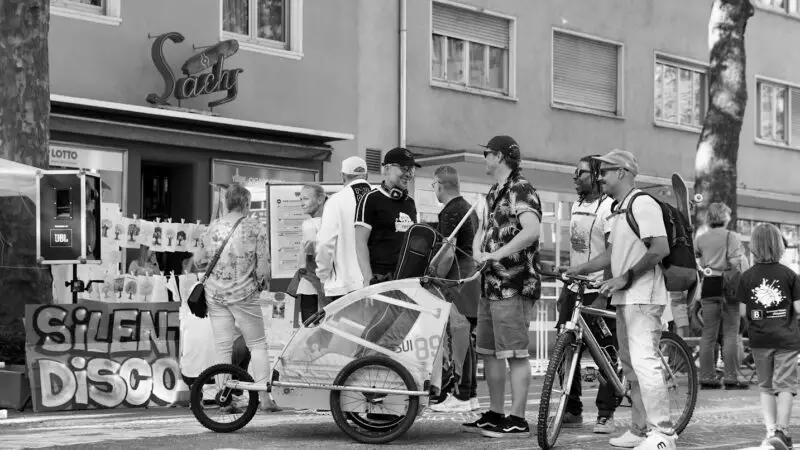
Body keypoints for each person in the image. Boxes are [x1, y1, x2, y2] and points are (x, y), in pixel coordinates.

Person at [566, 149, 677, 449]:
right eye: (598, 172)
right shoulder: (618, 209)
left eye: (605, 171)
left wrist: (625, 277)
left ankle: (663, 433)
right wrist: (580, 268)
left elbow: (660, 249)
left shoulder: (642, 204)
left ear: (623, 172)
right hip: (625, 298)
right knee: (630, 366)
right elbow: (610, 254)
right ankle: (641, 429)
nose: (599, 177)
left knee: (645, 363)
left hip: (643, 296)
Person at [462, 136, 541, 439]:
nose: (483, 158)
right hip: (490, 284)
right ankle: (496, 413)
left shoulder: (521, 188)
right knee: (490, 352)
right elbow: (483, 230)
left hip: (513, 284)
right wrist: (479, 252)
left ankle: (518, 419)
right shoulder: (495, 191)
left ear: (499, 156)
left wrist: (496, 254)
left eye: (486, 153)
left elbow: (531, 230)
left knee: (515, 353)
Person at [197, 183, 276, 411]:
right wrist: (260, 283)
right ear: (246, 204)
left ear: (226, 203)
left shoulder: (212, 228)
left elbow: (199, 260)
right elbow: (263, 270)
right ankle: (265, 399)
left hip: (215, 295)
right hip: (244, 294)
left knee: (222, 347)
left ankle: (225, 399)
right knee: (257, 345)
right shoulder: (255, 228)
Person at [557, 155, 619, 434]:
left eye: (581, 173)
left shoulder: (608, 207)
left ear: (596, 175)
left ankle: (606, 412)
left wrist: (605, 293)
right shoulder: (577, 204)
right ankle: (571, 408)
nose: (575, 177)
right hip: (574, 289)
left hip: (598, 290)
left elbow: (612, 253)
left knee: (605, 353)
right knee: (564, 349)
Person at [736, 223, 800, 450]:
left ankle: (771, 432)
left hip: (760, 339)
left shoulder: (746, 277)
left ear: (753, 247)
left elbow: (743, 311)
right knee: (785, 386)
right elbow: (799, 308)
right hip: (787, 339)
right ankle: (782, 432)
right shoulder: (790, 275)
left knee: (765, 386)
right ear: (779, 246)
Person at [353, 147, 419, 354]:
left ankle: (378, 372)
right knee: (378, 328)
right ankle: (355, 366)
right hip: (381, 280)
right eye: (404, 168)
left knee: (395, 336)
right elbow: (359, 242)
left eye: (411, 169)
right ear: (387, 169)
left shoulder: (410, 203)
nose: (408, 174)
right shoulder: (370, 200)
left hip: (406, 281)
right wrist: (368, 280)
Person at [427, 165, 481, 413]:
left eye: (433, 185)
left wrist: (434, 277)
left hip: (456, 276)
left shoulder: (451, 211)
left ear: (439, 184)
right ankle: (469, 395)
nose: (434, 190)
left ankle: (459, 395)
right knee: (467, 338)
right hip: (470, 275)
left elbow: (448, 251)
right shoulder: (468, 208)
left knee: (457, 337)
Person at [695, 202, 749, 389]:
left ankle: (707, 377)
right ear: (725, 217)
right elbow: (735, 261)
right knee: (731, 334)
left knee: (708, 334)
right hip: (728, 287)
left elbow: (696, 260)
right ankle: (731, 377)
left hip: (709, 285)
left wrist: (707, 264)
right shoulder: (731, 236)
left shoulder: (701, 238)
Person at [316, 156, 372, 301]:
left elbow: (324, 243)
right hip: (377, 283)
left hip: (343, 286)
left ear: (342, 176)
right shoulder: (379, 197)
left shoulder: (336, 201)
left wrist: (323, 275)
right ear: (366, 175)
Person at [295, 183, 326, 323]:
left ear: (320, 200)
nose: (302, 203)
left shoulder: (309, 224)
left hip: (311, 282)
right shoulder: (334, 222)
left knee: (310, 330)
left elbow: (311, 249)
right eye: (300, 199)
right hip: (331, 284)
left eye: (306, 199)